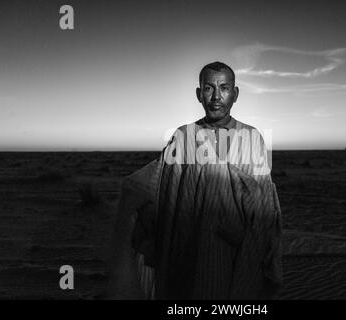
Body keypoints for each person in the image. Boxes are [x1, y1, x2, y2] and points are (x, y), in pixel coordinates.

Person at [108, 62, 282, 300]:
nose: (217, 97)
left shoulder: (252, 138)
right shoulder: (183, 136)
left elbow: (264, 202)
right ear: (199, 94)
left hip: (238, 253)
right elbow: (156, 186)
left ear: (236, 94)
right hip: (189, 252)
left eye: (224, 88)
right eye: (209, 88)